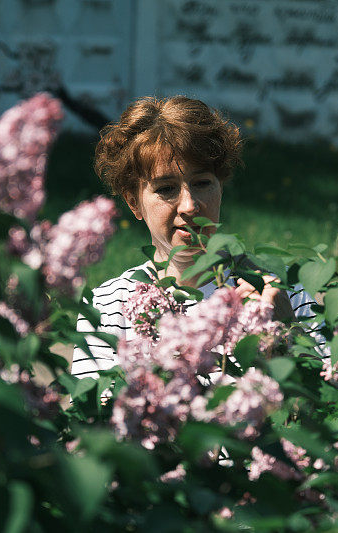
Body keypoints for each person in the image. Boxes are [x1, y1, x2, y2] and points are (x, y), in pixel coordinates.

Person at [71, 96, 325, 378]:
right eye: (166, 189)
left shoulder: (282, 290)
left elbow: (329, 410)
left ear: (221, 187)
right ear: (134, 203)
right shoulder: (108, 306)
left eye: (202, 183)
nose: (190, 205)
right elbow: (89, 418)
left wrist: (283, 334)